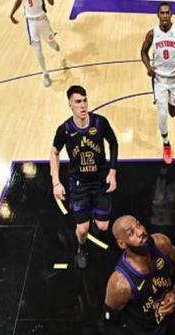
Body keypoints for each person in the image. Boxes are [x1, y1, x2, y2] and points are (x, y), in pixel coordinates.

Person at [50, 85, 118, 269]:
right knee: (82, 229)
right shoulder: (64, 129)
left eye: (85, 100)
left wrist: (112, 171)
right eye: (78, 101)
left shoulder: (100, 122)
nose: (83, 105)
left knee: (103, 227)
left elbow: (113, 142)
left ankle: (96, 221)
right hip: (79, 184)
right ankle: (81, 248)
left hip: (100, 180)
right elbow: (54, 152)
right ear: (70, 104)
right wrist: (56, 182)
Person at [140, 1, 175, 165]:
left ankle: (171, 106)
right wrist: (148, 67)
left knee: (173, 112)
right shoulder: (152, 34)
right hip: (159, 80)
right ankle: (166, 143)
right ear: (157, 15)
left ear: (171, 15)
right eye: (162, 13)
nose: (164, 16)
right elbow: (143, 51)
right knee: (163, 114)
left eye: (167, 13)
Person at [10, 0, 61, 87]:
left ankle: (54, 44)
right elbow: (19, 1)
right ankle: (45, 74)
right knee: (37, 48)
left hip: (42, 19)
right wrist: (12, 14)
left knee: (52, 43)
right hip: (31, 21)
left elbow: (51, 3)